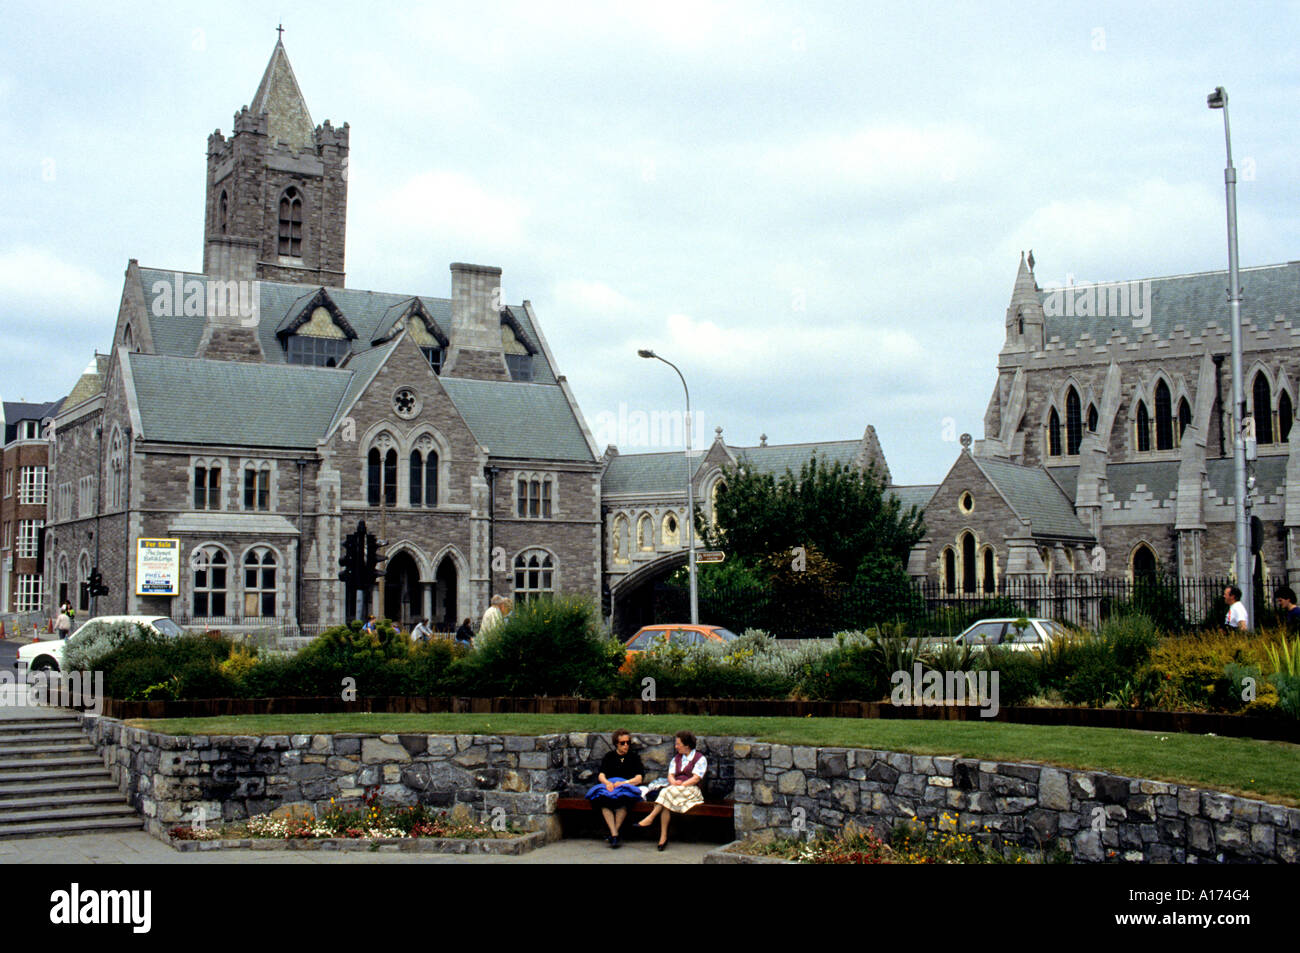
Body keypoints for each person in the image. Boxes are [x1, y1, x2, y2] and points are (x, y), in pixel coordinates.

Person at [636, 730, 706, 850]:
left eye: (678, 744)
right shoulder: (677, 758)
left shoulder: (699, 758)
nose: (676, 746)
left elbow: (696, 778)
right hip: (674, 790)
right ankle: (663, 837)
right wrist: (673, 782)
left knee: (665, 793)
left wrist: (682, 784)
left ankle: (651, 818)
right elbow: (670, 775)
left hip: (691, 790)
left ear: (687, 745)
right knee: (666, 801)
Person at [585, 730, 645, 848]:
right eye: (622, 743)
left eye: (628, 742)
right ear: (616, 744)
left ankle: (613, 834)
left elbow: (639, 778)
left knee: (624, 802)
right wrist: (608, 783)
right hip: (610, 786)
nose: (626, 745)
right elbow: (601, 775)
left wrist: (624, 783)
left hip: (625, 787)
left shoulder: (634, 757)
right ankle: (615, 834)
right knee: (603, 801)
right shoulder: (609, 756)